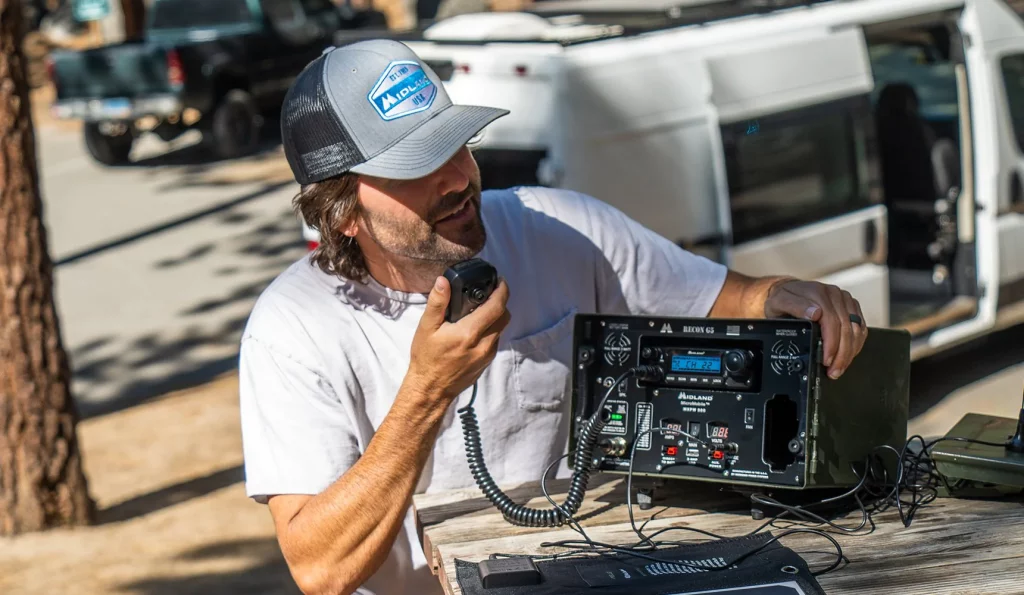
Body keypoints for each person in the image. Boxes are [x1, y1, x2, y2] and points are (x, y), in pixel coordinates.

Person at [238, 39, 869, 595]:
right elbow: (320, 570)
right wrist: (428, 390)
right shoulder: (291, 328)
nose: (459, 177)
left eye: (458, 143)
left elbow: (725, 297)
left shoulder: (562, 227)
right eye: (417, 166)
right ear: (342, 212)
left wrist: (791, 294)